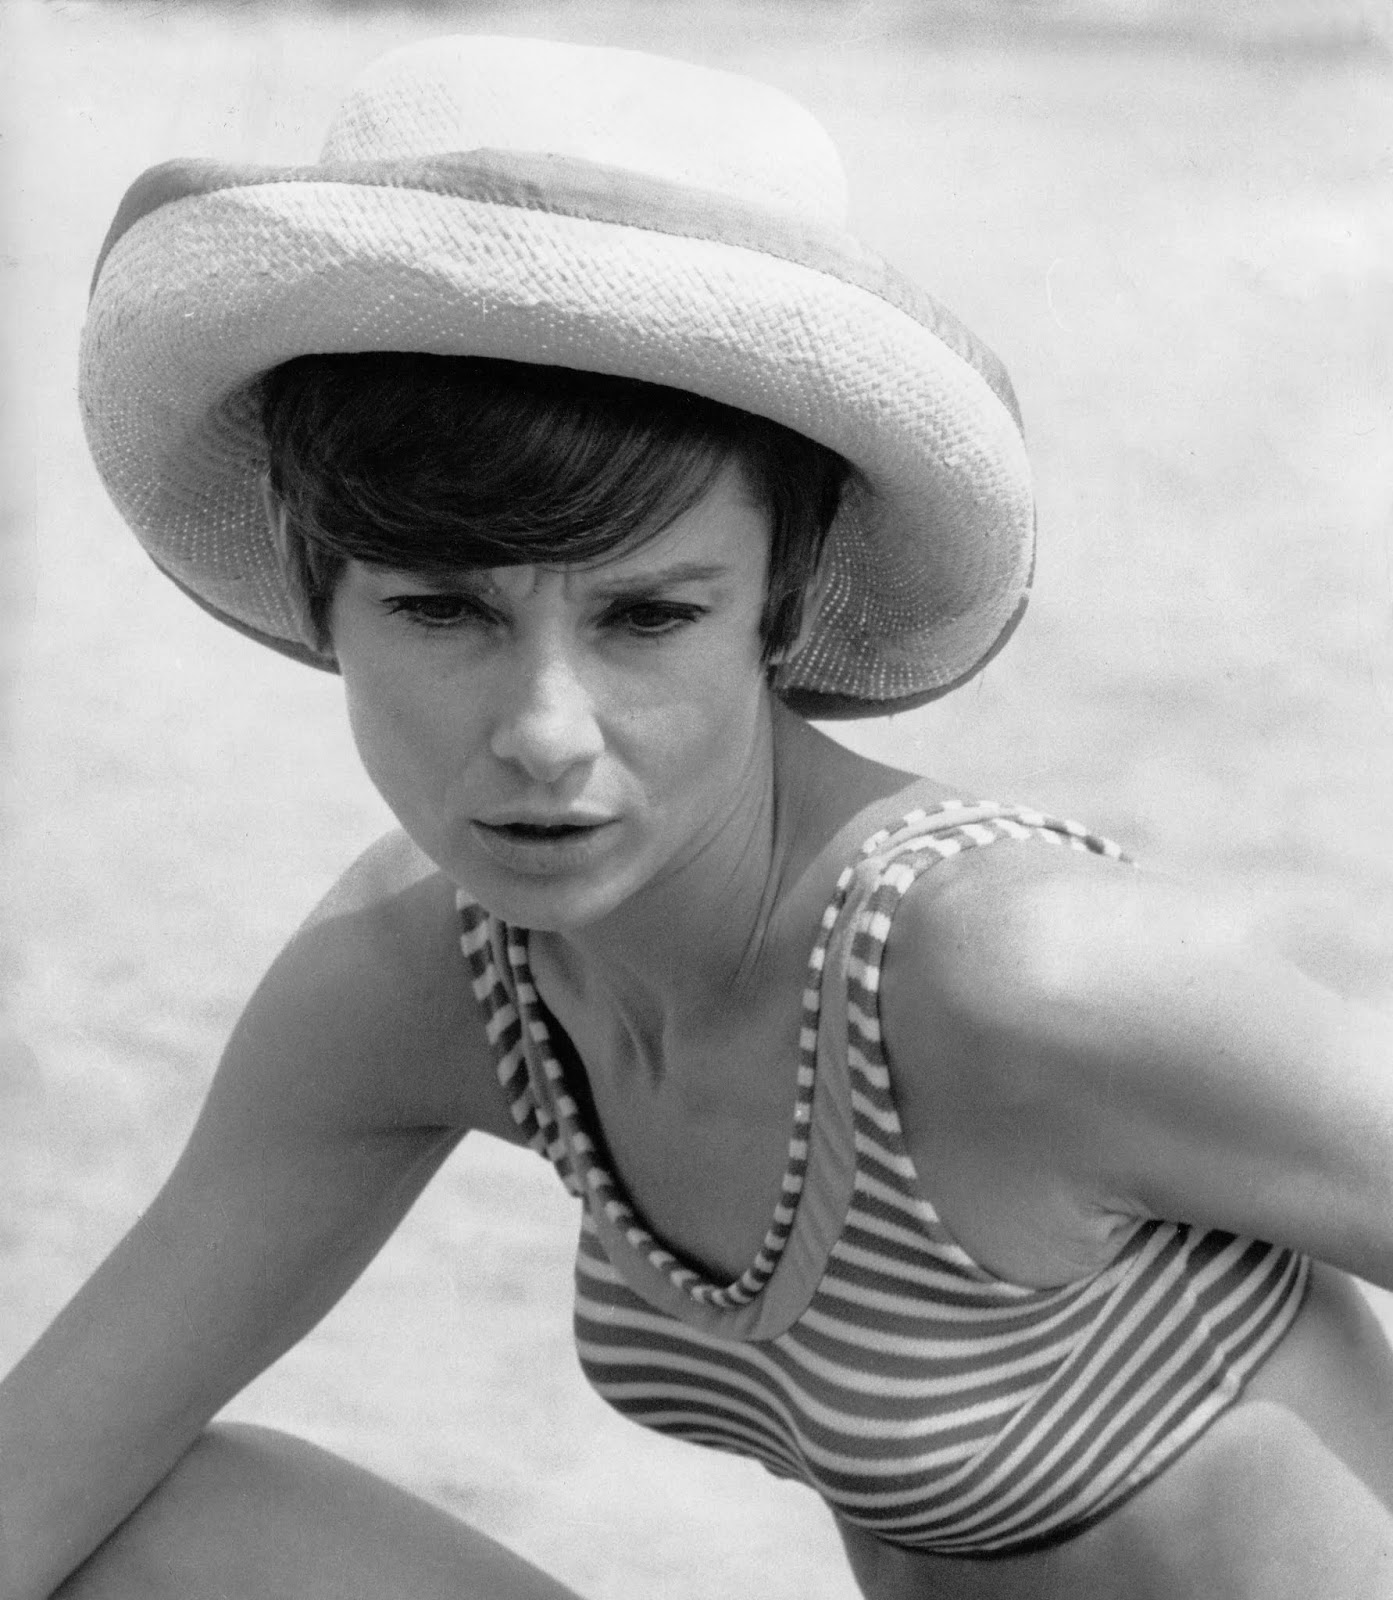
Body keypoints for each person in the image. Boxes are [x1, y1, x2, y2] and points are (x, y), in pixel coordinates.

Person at [1, 32, 1391, 1600]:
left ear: (777, 603)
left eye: (649, 617)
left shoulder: (1015, 975)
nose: (544, 734)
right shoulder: (425, 984)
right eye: (443, 610)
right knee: (166, 1523)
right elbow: (45, 1469)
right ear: (320, 596)